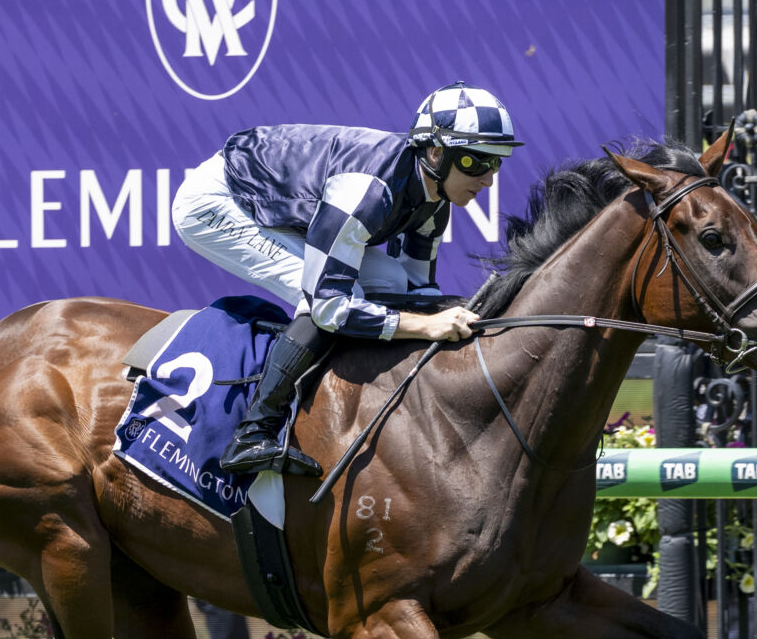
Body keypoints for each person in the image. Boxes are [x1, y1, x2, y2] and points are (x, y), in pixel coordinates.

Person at [171, 82, 523, 476]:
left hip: (283, 204)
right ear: (436, 153)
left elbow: (416, 291)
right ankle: (253, 433)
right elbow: (330, 307)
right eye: (475, 162)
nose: (488, 179)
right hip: (219, 201)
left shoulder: (434, 200)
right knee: (328, 297)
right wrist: (428, 326)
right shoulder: (367, 190)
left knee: (392, 281)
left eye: (496, 163)